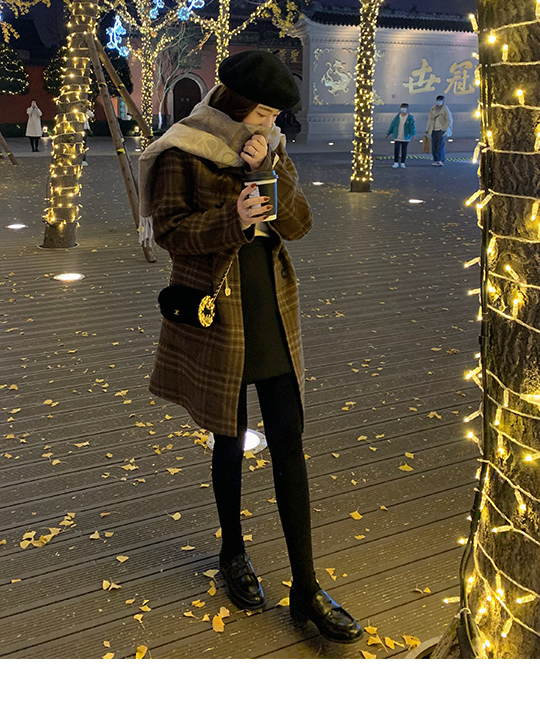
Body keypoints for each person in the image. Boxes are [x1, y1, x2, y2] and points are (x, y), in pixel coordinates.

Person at [137, 49, 363, 644]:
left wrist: (271, 172)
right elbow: (169, 233)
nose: (268, 124)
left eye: (275, 116)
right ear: (236, 104)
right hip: (218, 310)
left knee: (290, 438)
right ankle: (232, 553)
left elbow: (299, 225)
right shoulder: (183, 149)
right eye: (262, 113)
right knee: (229, 436)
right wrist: (231, 218)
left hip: (272, 306)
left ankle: (305, 586)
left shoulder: (269, 149)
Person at [424, 94, 453, 166]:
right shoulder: (433, 108)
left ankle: (440, 160)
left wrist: (444, 128)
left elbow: (449, 120)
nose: (438, 102)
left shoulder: (445, 109)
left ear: (443, 101)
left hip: (441, 130)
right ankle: (436, 160)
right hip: (433, 129)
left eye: (440, 100)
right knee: (434, 145)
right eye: (437, 100)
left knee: (440, 145)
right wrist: (427, 129)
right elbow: (430, 119)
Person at [386, 102, 416, 168]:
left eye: (404, 108)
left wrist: (413, 133)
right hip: (397, 136)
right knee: (396, 149)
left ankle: (403, 162)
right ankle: (396, 162)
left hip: (406, 136)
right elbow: (392, 125)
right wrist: (388, 133)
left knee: (404, 150)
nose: (403, 109)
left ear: (407, 109)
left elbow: (412, 126)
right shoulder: (397, 117)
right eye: (402, 108)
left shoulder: (410, 117)